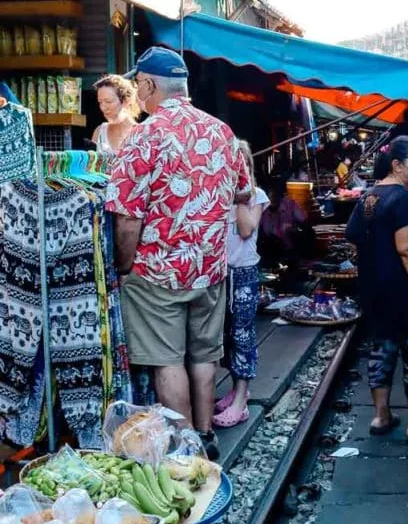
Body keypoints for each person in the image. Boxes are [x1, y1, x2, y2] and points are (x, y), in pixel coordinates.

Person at [106, 47, 251, 459]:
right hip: (209, 267)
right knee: (204, 355)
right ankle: (205, 433)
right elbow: (242, 190)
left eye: (138, 86)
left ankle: (186, 450)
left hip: (157, 271)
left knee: (167, 360)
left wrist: (125, 267)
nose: (138, 93)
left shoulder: (144, 136)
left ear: (149, 85)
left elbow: (128, 219)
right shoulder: (222, 132)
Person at [346, 136, 408, 442]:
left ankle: (381, 416)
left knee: (380, 350)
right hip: (402, 290)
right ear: (397, 165)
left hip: (372, 289)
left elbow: (355, 237)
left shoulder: (367, 197)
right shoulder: (402, 199)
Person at [213, 141, 269, 428]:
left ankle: (241, 401)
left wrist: (238, 196)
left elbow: (246, 230)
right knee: (225, 334)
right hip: (219, 273)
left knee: (243, 334)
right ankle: (235, 390)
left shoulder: (256, 196)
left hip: (244, 273)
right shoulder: (215, 193)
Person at [259, 177, 308, 265]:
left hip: (290, 252)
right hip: (270, 253)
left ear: (281, 195)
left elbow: (305, 223)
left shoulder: (291, 205)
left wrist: (295, 230)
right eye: (269, 196)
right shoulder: (262, 209)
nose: (272, 199)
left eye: (275, 196)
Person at [92, 74, 140, 154]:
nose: (103, 108)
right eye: (100, 102)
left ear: (125, 101)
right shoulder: (100, 132)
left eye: (108, 102)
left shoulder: (141, 133)